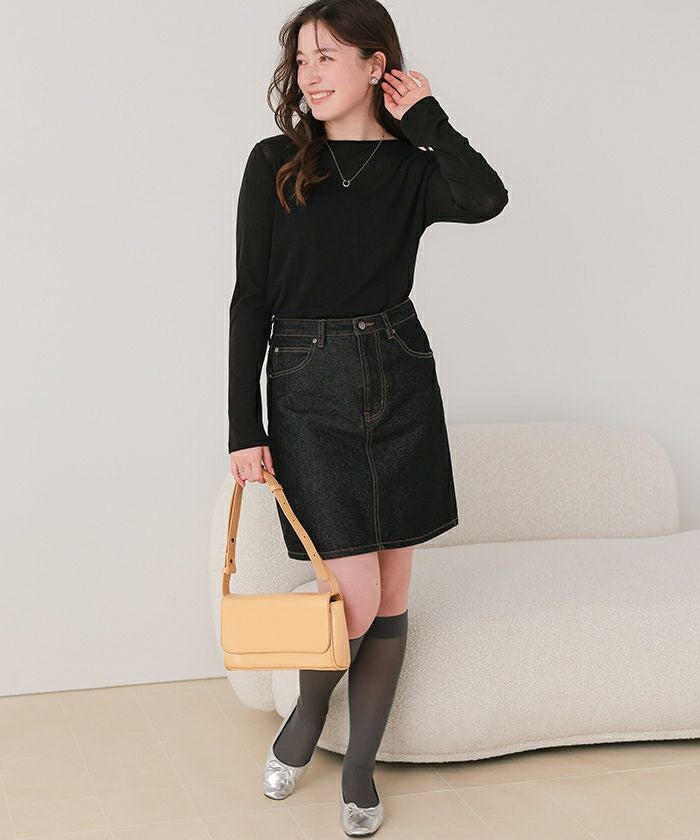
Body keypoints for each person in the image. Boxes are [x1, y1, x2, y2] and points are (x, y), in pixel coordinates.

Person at [228, 0, 508, 834]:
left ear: (374, 64)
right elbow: (250, 296)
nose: (309, 74)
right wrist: (244, 425)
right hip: (306, 381)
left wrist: (428, 118)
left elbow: (487, 197)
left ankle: (359, 769)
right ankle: (307, 719)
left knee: (390, 591)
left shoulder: (414, 167)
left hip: (400, 372)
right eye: (302, 59)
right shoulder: (275, 161)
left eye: (327, 56)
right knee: (350, 596)